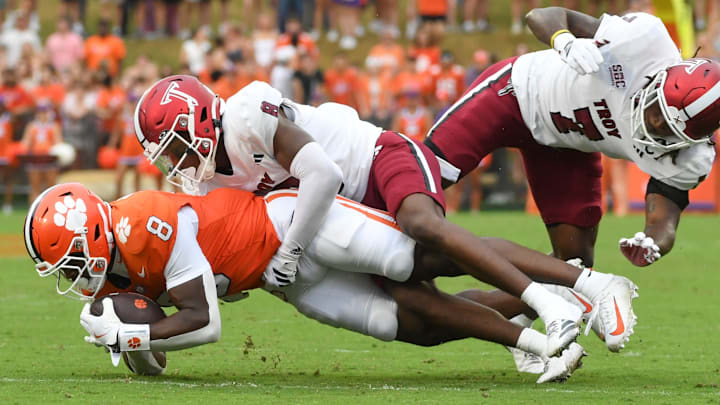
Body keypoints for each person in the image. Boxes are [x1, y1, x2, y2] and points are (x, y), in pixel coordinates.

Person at [134, 75, 639, 355]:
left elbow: (323, 176)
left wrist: (290, 250)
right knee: (419, 316)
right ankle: (550, 303)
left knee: (425, 230)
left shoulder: (246, 113)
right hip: (342, 213)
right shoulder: (208, 177)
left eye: (175, 146)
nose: (176, 163)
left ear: (198, 117)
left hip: (375, 160)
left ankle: (590, 287)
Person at [24, 183, 585, 383]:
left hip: (295, 227)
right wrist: (124, 338)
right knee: (409, 324)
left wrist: (138, 338)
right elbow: (154, 352)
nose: (76, 277)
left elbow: (203, 324)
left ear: (94, 233)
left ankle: (578, 282)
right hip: (283, 282)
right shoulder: (112, 266)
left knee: (422, 262)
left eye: (74, 262)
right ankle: (538, 333)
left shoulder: (146, 221)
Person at [423, 7, 720, 269]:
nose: (653, 125)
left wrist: (653, 243)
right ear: (662, 78)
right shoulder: (645, 42)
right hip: (518, 93)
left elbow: (664, 221)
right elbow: (542, 15)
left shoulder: (693, 157)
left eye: (669, 129)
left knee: (573, 266)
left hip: (567, 145)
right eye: (657, 110)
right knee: (425, 178)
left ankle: (508, 318)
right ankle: (389, 255)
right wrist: (564, 42)